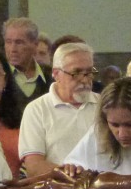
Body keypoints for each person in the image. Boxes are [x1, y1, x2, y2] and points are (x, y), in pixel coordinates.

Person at [18, 42, 99, 178]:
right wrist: (72, 175)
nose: (85, 80)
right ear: (56, 74)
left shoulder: (105, 105)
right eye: (76, 73)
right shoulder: (37, 109)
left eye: (89, 72)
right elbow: (34, 167)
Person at [3, 17, 52, 104]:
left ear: (35, 45)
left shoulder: (52, 76)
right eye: (8, 42)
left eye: (19, 42)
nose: (12, 49)